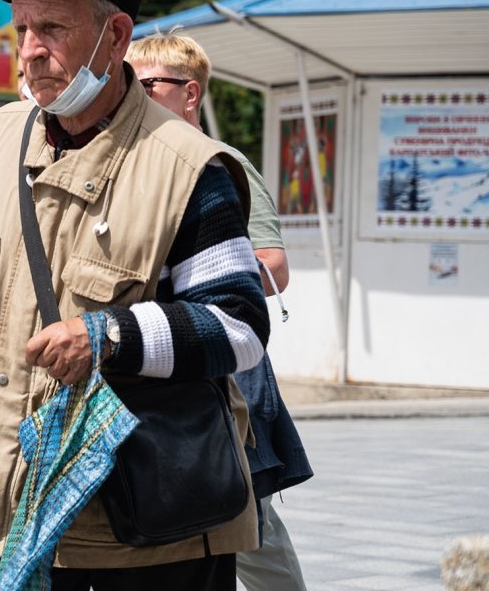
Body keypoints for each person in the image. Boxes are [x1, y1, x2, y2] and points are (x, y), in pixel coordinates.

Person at [0, 0, 270, 589]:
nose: (29, 50)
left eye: (52, 29)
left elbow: (240, 330)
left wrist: (110, 335)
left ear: (115, 36)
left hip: (146, 528)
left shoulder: (189, 166)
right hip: (7, 505)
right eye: (22, 30)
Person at [128, 31, 314, 591]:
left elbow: (273, 264)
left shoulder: (218, 163)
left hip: (215, 382)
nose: (132, 95)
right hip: (141, 372)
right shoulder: (131, 160)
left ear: (189, 95)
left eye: (146, 85)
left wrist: (198, 279)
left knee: (245, 519)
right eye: (126, 83)